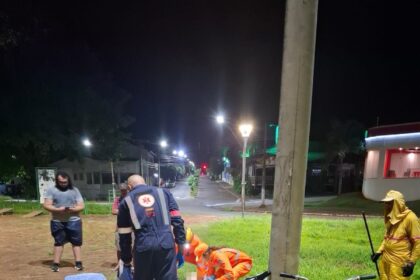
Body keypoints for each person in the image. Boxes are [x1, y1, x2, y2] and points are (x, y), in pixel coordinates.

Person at [117, 174, 186, 279]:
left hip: (143, 245)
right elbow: (177, 220)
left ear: (129, 187)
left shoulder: (125, 201)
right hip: (166, 244)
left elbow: (124, 235)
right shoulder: (164, 193)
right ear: (145, 182)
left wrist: (126, 259)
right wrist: (181, 243)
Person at [371, 190, 420, 279]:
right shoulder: (391, 218)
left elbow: (418, 242)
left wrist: (411, 263)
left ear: (398, 204)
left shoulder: (411, 218)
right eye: (386, 203)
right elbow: (387, 237)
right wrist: (379, 251)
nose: (387, 206)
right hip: (385, 261)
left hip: (399, 263)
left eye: (390, 203)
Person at [43, 171, 85, 272]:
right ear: (57, 181)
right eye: (61, 182)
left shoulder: (75, 190)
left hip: (74, 220)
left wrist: (72, 209)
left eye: (65, 182)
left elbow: (81, 206)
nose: (63, 184)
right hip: (57, 221)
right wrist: (58, 210)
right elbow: (46, 205)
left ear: (68, 181)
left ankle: (78, 263)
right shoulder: (51, 190)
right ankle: (56, 264)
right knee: (58, 242)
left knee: (76, 242)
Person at [112, 182, 129, 268]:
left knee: (132, 246)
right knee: (119, 246)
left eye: (124, 190)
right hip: (119, 227)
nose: (123, 192)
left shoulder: (131, 199)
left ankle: (131, 263)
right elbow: (113, 211)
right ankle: (119, 263)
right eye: (121, 190)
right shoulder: (117, 200)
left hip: (131, 227)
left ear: (128, 190)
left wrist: (120, 211)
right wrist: (125, 211)